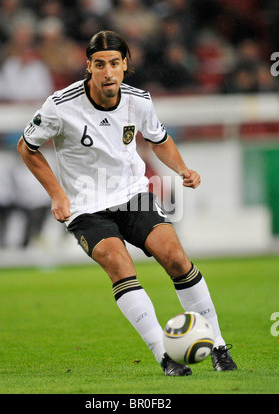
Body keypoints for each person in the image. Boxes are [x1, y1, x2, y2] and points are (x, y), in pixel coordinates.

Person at [17, 30, 237, 376]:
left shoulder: (139, 101)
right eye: (100, 64)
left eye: (115, 64)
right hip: (86, 206)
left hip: (132, 196)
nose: (108, 72)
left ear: (125, 66)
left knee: (177, 259)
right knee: (120, 265)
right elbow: (26, 148)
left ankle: (220, 347)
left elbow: (159, 139)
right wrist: (57, 194)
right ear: (88, 66)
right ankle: (165, 356)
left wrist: (181, 169)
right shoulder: (59, 105)